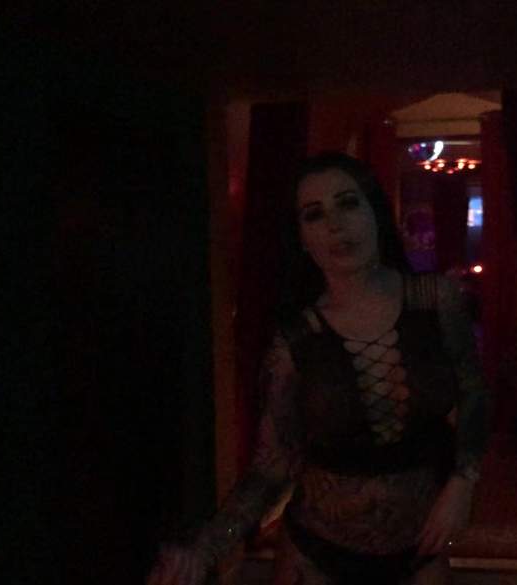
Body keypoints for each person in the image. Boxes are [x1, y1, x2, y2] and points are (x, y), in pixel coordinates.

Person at [147, 152, 490, 585]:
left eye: (348, 203)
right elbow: (272, 466)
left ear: (374, 210)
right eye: (314, 214)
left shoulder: (436, 300)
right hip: (315, 555)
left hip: (418, 548)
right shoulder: (295, 340)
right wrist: (205, 549)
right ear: (302, 238)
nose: (335, 225)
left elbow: (474, 391)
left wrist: (463, 482)